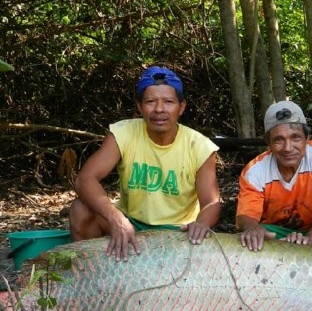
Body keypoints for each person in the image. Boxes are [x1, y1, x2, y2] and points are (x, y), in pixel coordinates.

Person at [69, 66, 221, 261]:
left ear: (181, 107)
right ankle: (89, 275)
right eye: (150, 102)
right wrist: (115, 218)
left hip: (178, 231)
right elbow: (85, 179)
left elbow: (211, 202)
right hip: (132, 224)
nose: (159, 109)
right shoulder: (124, 133)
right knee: (82, 209)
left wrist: (201, 224)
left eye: (168, 102)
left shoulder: (199, 146)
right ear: (140, 107)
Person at [236, 100, 312, 251]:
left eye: (295, 137)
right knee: (253, 239)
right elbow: (245, 216)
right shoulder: (254, 171)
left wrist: (308, 239)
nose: (288, 148)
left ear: (307, 138)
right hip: (278, 233)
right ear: (268, 144)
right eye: (279, 140)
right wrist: (252, 228)